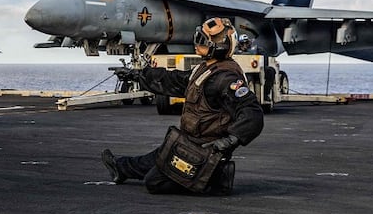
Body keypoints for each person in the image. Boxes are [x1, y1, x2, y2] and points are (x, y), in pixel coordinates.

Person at [101, 17, 264, 195]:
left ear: (218, 46)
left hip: (206, 150)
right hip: (191, 141)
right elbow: (175, 80)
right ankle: (121, 168)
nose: (196, 44)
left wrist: (229, 140)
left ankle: (217, 179)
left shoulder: (225, 78)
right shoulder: (206, 69)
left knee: (154, 182)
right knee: (163, 153)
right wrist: (137, 75)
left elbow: (252, 113)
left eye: (201, 40)